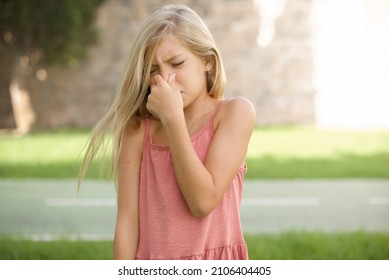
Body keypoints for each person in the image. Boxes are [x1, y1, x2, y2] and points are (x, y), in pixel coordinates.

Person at [79, 4, 256, 260]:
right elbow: (127, 224)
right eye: (153, 70)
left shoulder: (235, 114)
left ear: (207, 61)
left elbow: (202, 202)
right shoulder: (139, 129)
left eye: (176, 63)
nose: (165, 79)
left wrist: (173, 119)